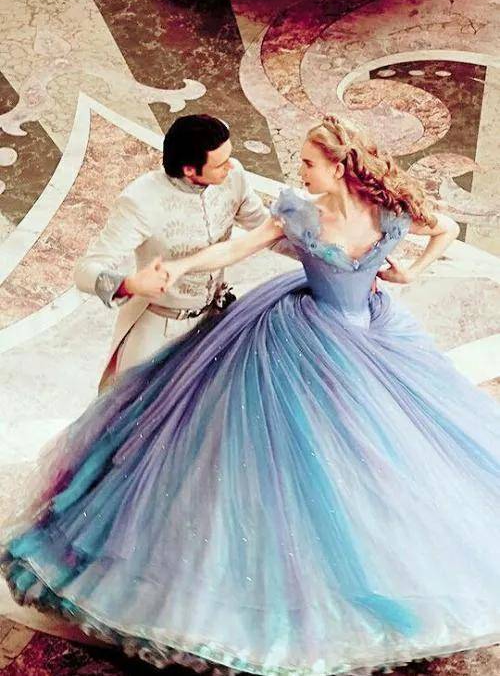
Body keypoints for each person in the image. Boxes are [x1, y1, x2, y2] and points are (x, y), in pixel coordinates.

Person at [4, 116, 500, 676]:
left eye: (308, 162)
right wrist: (180, 266)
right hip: (301, 332)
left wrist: (411, 271)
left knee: (374, 450)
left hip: (368, 335)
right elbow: (238, 249)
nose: (297, 170)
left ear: (339, 167)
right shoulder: (299, 211)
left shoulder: (385, 206)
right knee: (258, 449)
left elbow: (445, 228)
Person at [74, 114, 281, 389]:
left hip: (213, 325)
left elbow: (265, 229)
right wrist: (129, 284)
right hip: (159, 331)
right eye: (220, 164)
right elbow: (84, 272)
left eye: (229, 157)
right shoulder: (142, 201)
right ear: (189, 170)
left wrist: (323, 254)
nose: (230, 166)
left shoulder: (233, 177)